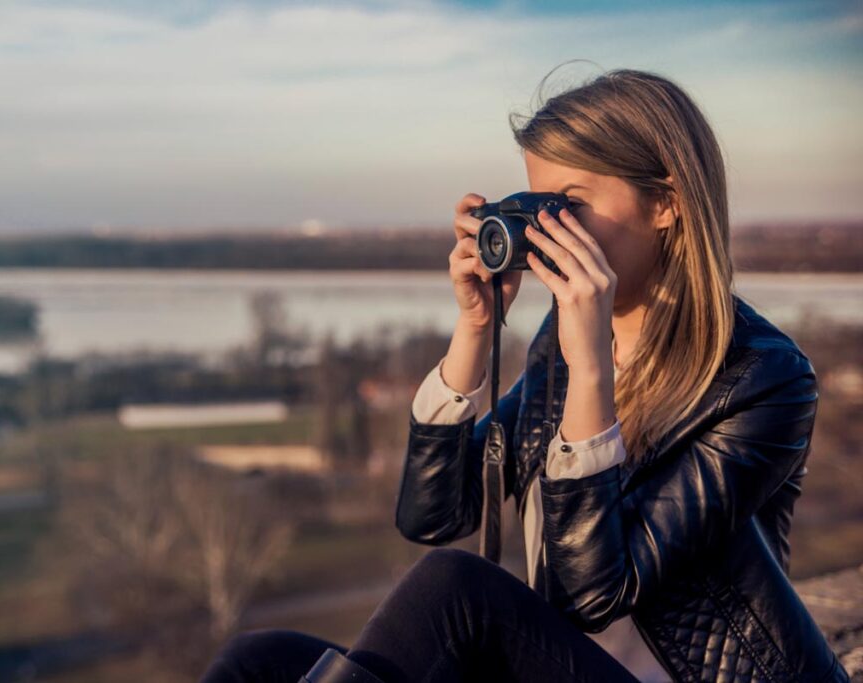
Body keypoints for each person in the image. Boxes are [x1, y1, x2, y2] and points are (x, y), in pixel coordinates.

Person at [199, 68, 849, 683]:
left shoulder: (763, 379)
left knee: (456, 588)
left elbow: (594, 589)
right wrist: (476, 328)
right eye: (537, 202)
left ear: (666, 204)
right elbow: (433, 514)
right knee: (262, 659)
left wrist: (592, 363)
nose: (546, 227)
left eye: (569, 202)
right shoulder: (557, 344)